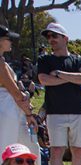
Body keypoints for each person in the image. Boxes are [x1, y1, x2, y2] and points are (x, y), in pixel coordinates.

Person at [37, 22, 81, 165]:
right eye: (49, 36)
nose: (51, 39)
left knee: (78, 151)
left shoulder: (78, 60)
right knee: (57, 151)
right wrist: (71, 79)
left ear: (65, 38)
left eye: (55, 36)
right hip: (55, 112)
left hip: (79, 112)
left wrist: (59, 74)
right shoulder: (45, 60)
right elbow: (44, 80)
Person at [0, 26, 39, 156]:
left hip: (9, 108)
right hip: (6, 109)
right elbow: (15, 92)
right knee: (7, 146)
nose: (11, 42)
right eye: (8, 39)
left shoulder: (3, 61)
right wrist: (29, 114)